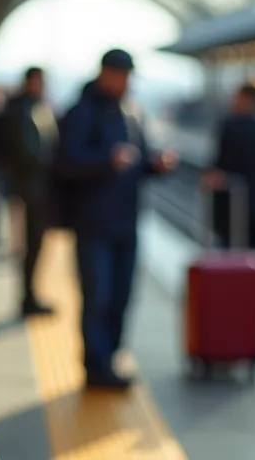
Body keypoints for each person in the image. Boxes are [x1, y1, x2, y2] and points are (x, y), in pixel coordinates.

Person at [57, 49, 177, 389]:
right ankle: (96, 367)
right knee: (98, 295)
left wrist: (156, 165)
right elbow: (66, 162)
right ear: (105, 73)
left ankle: (110, 356)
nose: (125, 82)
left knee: (123, 293)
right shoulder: (82, 112)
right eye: (120, 75)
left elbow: (139, 161)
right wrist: (106, 161)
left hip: (126, 220)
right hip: (93, 222)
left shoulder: (132, 111)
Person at [0, 67, 59, 316]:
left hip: (33, 188)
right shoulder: (24, 111)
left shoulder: (31, 107)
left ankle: (30, 294)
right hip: (30, 189)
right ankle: (27, 298)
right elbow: (30, 152)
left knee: (34, 244)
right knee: (30, 245)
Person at [202, 83, 255, 251]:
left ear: (247, 100)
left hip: (232, 208)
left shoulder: (231, 126)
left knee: (230, 256)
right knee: (253, 256)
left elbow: (221, 165)